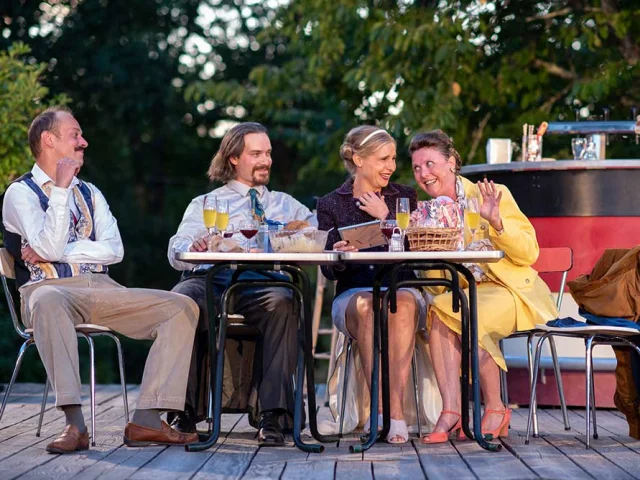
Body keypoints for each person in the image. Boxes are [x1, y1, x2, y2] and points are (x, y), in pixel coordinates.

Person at [1, 106, 200, 454]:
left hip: (102, 290)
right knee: (48, 302)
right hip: (47, 290)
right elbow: (46, 244)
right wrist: (60, 191)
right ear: (49, 140)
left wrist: (61, 251)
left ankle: (148, 419)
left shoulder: (92, 192)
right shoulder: (20, 193)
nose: (84, 142)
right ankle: (74, 425)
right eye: (75, 135)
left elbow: (114, 250)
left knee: (182, 306)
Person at [168, 122, 316, 446]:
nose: (266, 161)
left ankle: (273, 414)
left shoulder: (285, 204)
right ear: (234, 158)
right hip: (211, 277)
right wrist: (193, 246)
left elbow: (318, 231)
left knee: (284, 301)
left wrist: (308, 233)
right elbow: (175, 249)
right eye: (256, 154)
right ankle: (184, 411)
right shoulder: (206, 202)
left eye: (268, 153)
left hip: (261, 281)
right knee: (181, 302)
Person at [408, 129, 558, 444]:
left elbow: (529, 252)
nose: (424, 174)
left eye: (430, 164)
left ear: (451, 163)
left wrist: (497, 223)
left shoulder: (491, 193)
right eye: (417, 168)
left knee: (466, 312)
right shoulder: (424, 214)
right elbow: (438, 288)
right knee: (441, 308)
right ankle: (452, 410)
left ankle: (495, 407)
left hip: (511, 291)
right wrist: (425, 251)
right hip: (465, 293)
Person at [317, 126, 440, 444]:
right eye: (383, 159)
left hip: (400, 287)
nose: (391, 166)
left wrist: (387, 219)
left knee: (400, 305)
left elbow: (416, 253)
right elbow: (329, 272)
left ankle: (392, 415)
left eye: (393, 159)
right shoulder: (331, 204)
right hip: (353, 294)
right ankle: (381, 414)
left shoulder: (404, 197)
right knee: (370, 307)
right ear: (358, 159)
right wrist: (338, 254)